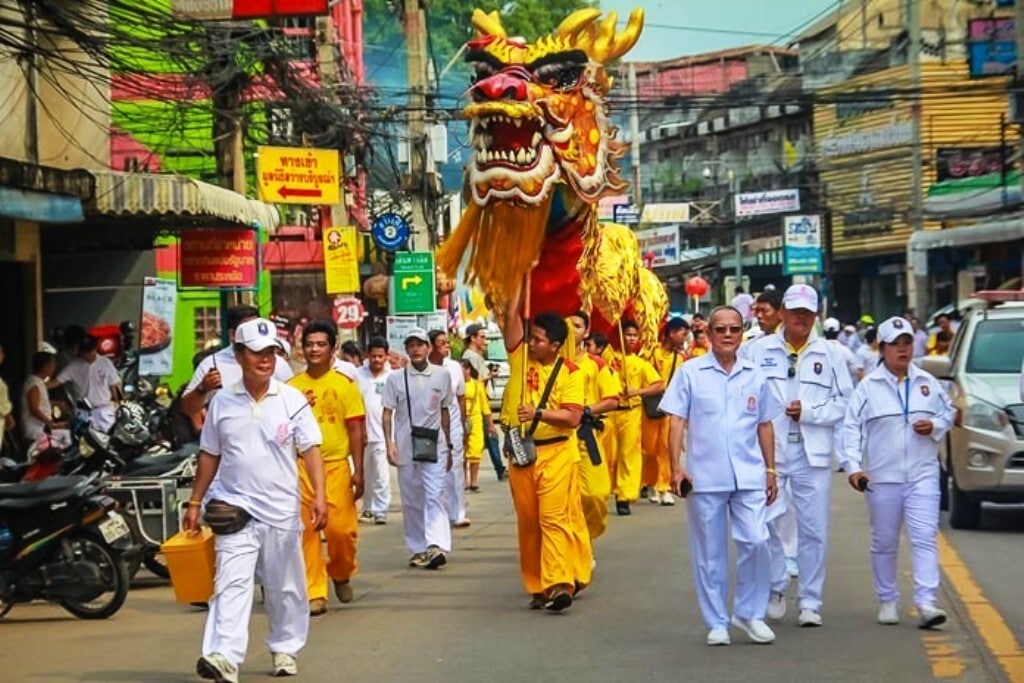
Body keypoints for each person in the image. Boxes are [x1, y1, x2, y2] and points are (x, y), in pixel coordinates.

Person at [182, 317, 327, 682]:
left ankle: (285, 647)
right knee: (231, 583)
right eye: (257, 353)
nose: (266, 360)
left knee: (285, 586)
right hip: (234, 508)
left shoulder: (291, 399)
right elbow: (209, 454)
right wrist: (195, 502)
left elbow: (310, 449)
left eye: (271, 353)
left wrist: (319, 497)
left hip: (281, 509)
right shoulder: (222, 402)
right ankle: (224, 656)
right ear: (240, 354)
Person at [661, 306, 779, 646]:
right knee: (710, 553)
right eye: (720, 329)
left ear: (743, 333)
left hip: (749, 474)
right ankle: (716, 620)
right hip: (705, 476)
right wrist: (675, 467)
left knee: (756, 541)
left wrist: (771, 470)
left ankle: (750, 613)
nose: (728, 335)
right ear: (709, 334)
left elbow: (765, 423)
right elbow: (676, 421)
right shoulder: (690, 372)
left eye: (734, 329)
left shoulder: (756, 375)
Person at [743, 285, 852, 628]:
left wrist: (809, 411)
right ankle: (776, 584)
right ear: (783, 314)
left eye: (807, 312)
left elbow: (845, 403)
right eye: (794, 311)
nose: (800, 317)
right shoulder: (757, 351)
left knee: (813, 529)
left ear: (816, 315)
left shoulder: (831, 354)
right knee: (765, 523)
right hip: (769, 451)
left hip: (812, 451)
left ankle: (810, 601)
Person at [841, 316, 956, 630]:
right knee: (885, 541)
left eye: (907, 342)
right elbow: (850, 429)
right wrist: (853, 467)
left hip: (923, 474)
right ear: (882, 348)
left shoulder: (926, 382)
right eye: (895, 344)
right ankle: (887, 599)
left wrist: (934, 426)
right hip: (882, 478)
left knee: (924, 538)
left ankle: (926, 602)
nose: (903, 349)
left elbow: (949, 411)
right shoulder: (867, 388)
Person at [500, 286, 588, 612]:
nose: (532, 343)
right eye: (531, 337)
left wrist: (538, 413)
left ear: (554, 345)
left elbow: (572, 417)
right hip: (522, 453)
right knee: (529, 521)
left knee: (553, 519)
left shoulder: (571, 373)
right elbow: (511, 316)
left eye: (538, 340)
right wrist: (525, 276)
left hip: (557, 453)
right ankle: (536, 584)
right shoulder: (520, 358)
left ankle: (558, 584)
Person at [288, 319, 366, 616]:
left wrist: (359, 470)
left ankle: (341, 571)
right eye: (309, 345)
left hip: (335, 466)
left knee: (341, 531)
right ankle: (314, 591)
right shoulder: (291, 388)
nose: (314, 349)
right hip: (300, 468)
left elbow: (357, 430)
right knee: (305, 531)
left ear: (333, 349)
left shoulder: (345, 385)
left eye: (321, 344)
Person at [382, 328, 454, 570]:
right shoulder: (395, 378)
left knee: (435, 494)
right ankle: (417, 548)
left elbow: (444, 411)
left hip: (435, 444)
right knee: (412, 499)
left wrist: (450, 445)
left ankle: (436, 545)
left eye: (420, 344)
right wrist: (389, 444)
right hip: (405, 444)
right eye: (411, 344)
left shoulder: (442, 376)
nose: (416, 349)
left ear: (428, 348)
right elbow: (387, 413)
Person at [181, 306, 293, 419]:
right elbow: (187, 408)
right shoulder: (213, 364)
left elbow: (293, 404)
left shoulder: (277, 363)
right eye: (248, 330)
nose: (265, 360)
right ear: (233, 335)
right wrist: (203, 388)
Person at [568, 311, 621, 544]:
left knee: (595, 494)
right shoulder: (551, 362)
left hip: (585, 435)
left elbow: (612, 399)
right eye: (567, 325)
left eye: (577, 326)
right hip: (557, 437)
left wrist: (587, 410)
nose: (572, 330)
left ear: (586, 332)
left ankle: (587, 537)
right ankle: (572, 546)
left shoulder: (596, 365)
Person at [605, 319, 663, 516]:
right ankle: (605, 490)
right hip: (609, 411)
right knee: (609, 453)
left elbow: (658, 384)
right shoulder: (607, 357)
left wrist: (637, 391)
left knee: (628, 454)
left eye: (634, 335)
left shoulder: (641, 363)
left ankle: (624, 496)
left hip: (631, 412)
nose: (631, 338)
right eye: (627, 334)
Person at [641, 317, 688, 506]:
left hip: (670, 409)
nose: (685, 338)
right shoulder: (651, 353)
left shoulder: (681, 358)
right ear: (671, 333)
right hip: (650, 406)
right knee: (650, 448)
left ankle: (665, 487)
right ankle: (651, 483)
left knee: (666, 448)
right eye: (683, 334)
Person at [428, 329, 471, 529]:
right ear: (430, 346)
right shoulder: (423, 368)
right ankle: (439, 511)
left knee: (455, 468)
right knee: (435, 469)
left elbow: (461, 397)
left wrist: (462, 423)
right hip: (430, 426)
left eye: (447, 342)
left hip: (453, 424)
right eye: (442, 343)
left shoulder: (454, 367)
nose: (447, 345)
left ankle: (458, 511)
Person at [355, 337, 393, 525]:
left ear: (386, 356)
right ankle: (368, 508)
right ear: (367, 356)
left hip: (382, 435)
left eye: (380, 356)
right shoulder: (357, 375)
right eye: (373, 356)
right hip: (361, 434)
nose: (377, 360)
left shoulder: (391, 377)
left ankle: (381, 509)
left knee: (381, 473)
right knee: (365, 473)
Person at [462, 323, 506, 481]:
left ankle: (499, 468)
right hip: (474, 405)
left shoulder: (478, 356)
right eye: (482, 336)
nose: (485, 341)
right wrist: (488, 377)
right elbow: (472, 381)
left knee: (489, 437)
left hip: (481, 401)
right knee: (487, 436)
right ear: (472, 338)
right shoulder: (469, 357)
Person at [55, 334, 122, 432]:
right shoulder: (74, 365)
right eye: (84, 352)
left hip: (103, 410)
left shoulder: (105, 363)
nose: (86, 354)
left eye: (89, 351)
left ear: (95, 349)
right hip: (83, 412)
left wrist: (119, 404)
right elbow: (57, 381)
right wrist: (38, 383)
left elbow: (114, 385)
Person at [460, 359, 493, 492]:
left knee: (475, 451)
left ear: (468, 370)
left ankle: (474, 482)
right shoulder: (456, 384)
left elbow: (485, 405)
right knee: (461, 453)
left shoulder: (477, 385)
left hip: (475, 420)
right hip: (460, 420)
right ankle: (463, 482)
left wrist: (490, 424)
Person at [20, 350, 59, 447]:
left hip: (39, 431)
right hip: (34, 433)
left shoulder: (38, 382)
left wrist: (56, 403)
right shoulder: (34, 383)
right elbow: (34, 408)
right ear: (45, 366)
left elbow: (40, 402)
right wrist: (50, 422)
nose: (54, 367)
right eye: (52, 364)